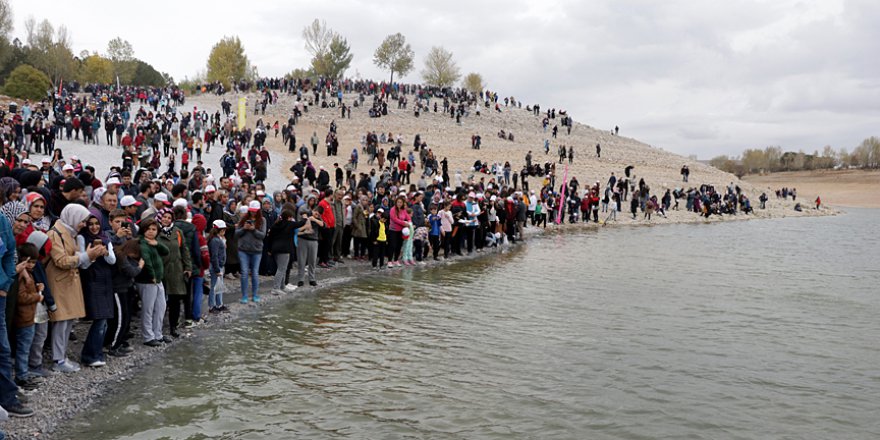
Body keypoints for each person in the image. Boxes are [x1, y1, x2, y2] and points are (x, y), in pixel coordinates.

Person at [47, 204, 103, 373]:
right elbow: (61, 261)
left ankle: (62, 357)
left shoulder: (70, 233)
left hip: (68, 282)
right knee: (61, 321)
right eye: (82, 221)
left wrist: (89, 256)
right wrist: (86, 255)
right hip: (59, 282)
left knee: (68, 320)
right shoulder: (55, 234)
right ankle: (58, 359)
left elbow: (76, 257)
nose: (84, 224)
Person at [77, 213, 116, 368]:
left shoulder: (105, 238)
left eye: (97, 223)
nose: (94, 227)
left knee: (104, 319)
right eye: (91, 224)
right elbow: (83, 265)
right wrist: (91, 255)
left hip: (105, 280)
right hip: (92, 280)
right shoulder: (82, 238)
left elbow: (112, 261)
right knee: (100, 319)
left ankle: (94, 353)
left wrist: (105, 253)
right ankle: (90, 355)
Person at [134, 218, 170, 347]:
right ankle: (148, 336)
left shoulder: (153, 242)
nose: (151, 231)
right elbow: (146, 260)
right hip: (147, 280)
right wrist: (152, 276)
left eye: (154, 229)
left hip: (157, 280)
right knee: (148, 309)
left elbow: (166, 251)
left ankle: (158, 334)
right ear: (143, 230)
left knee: (161, 307)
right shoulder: (142, 243)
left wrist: (157, 244)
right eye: (148, 229)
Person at [157, 208, 191, 337]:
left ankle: (173, 327)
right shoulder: (154, 230)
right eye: (164, 217)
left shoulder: (177, 232)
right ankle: (157, 328)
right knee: (159, 301)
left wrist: (188, 267)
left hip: (176, 270)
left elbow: (184, 250)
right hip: (161, 269)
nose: (166, 219)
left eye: (169, 218)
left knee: (175, 300)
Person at [236, 200, 266, 302]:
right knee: (244, 273)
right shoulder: (243, 218)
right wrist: (244, 228)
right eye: (251, 211)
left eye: (255, 211)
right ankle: (244, 296)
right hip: (243, 250)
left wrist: (254, 230)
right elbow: (237, 233)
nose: (253, 212)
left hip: (256, 250)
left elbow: (262, 235)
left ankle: (255, 295)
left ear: (258, 210)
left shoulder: (262, 220)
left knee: (255, 273)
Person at [207, 220, 228, 313]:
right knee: (214, 286)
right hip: (217, 266)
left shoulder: (216, 239)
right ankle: (212, 306)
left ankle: (219, 304)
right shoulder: (215, 240)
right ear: (221, 230)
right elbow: (214, 256)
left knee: (218, 286)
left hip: (219, 265)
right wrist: (217, 269)